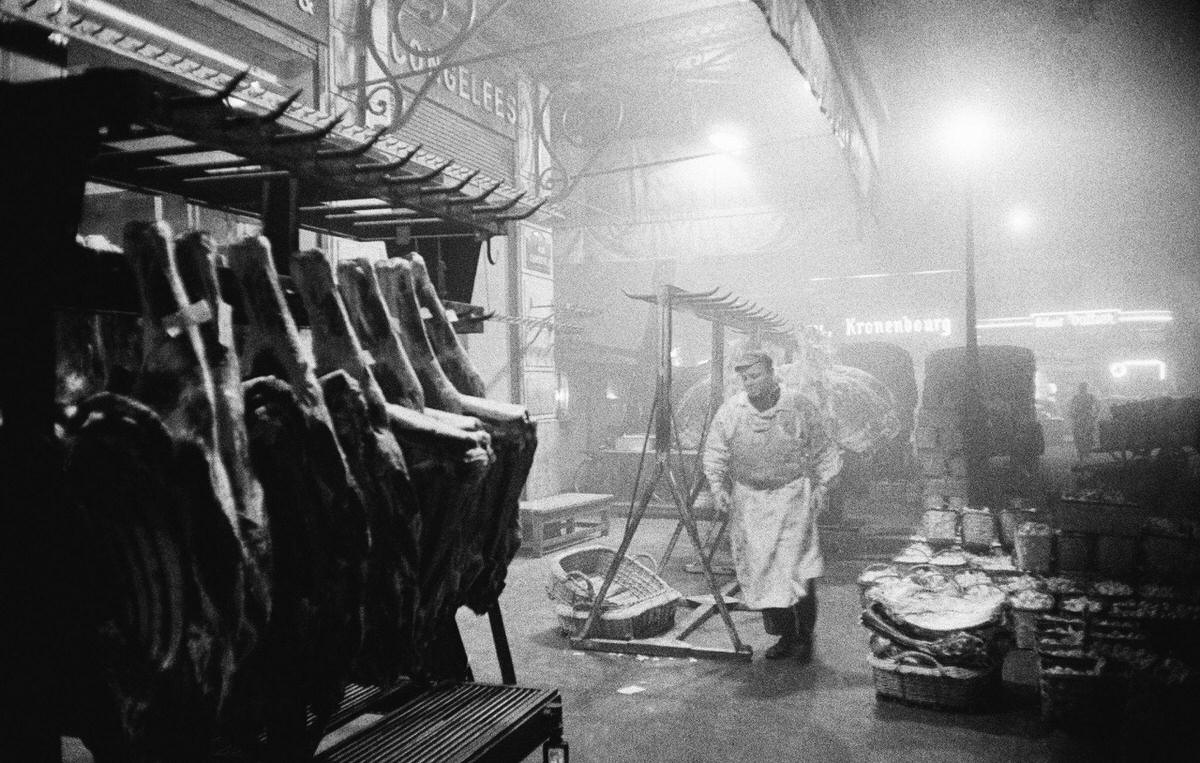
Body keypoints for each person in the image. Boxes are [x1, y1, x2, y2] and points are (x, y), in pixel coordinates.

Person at [702, 349, 841, 662]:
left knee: (797, 570)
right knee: (762, 570)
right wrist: (717, 487)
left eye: (756, 375)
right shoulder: (732, 410)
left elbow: (823, 448)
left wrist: (822, 485)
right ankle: (784, 635)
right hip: (750, 501)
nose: (750, 382)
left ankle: (804, 633)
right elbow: (716, 452)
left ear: (771, 373)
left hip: (792, 497)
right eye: (745, 377)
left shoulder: (797, 405)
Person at [1068, 382, 1097, 460]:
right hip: (1085, 418)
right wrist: (1094, 415)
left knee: (1082, 435)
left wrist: (1073, 415)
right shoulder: (1090, 396)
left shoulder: (1077, 397)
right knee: (1086, 435)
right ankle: (1085, 452)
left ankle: (1082, 452)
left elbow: (1071, 408)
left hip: (1082, 418)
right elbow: (1097, 406)